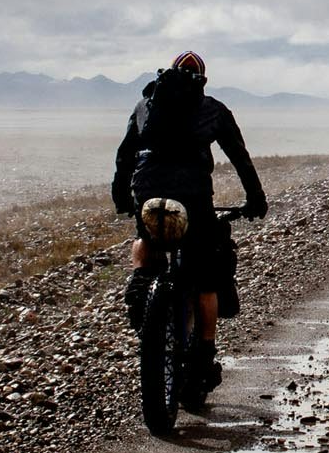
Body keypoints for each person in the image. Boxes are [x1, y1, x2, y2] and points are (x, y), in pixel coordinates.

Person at [111, 51, 268, 384]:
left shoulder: (146, 104)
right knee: (207, 278)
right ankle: (205, 354)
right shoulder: (213, 109)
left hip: (147, 190)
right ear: (202, 81)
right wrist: (256, 198)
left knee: (145, 236)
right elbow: (239, 157)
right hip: (193, 197)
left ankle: (141, 280)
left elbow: (125, 155)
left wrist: (122, 198)